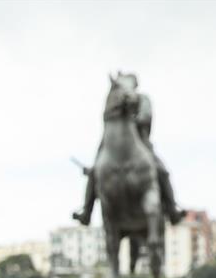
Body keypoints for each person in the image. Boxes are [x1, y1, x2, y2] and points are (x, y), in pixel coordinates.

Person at [73, 76, 185, 226]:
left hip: (141, 142)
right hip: (111, 144)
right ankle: (86, 212)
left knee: (161, 170)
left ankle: (172, 209)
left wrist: (131, 117)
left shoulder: (142, 99)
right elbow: (107, 122)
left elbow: (145, 117)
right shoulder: (113, 102)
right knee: (94, 172)